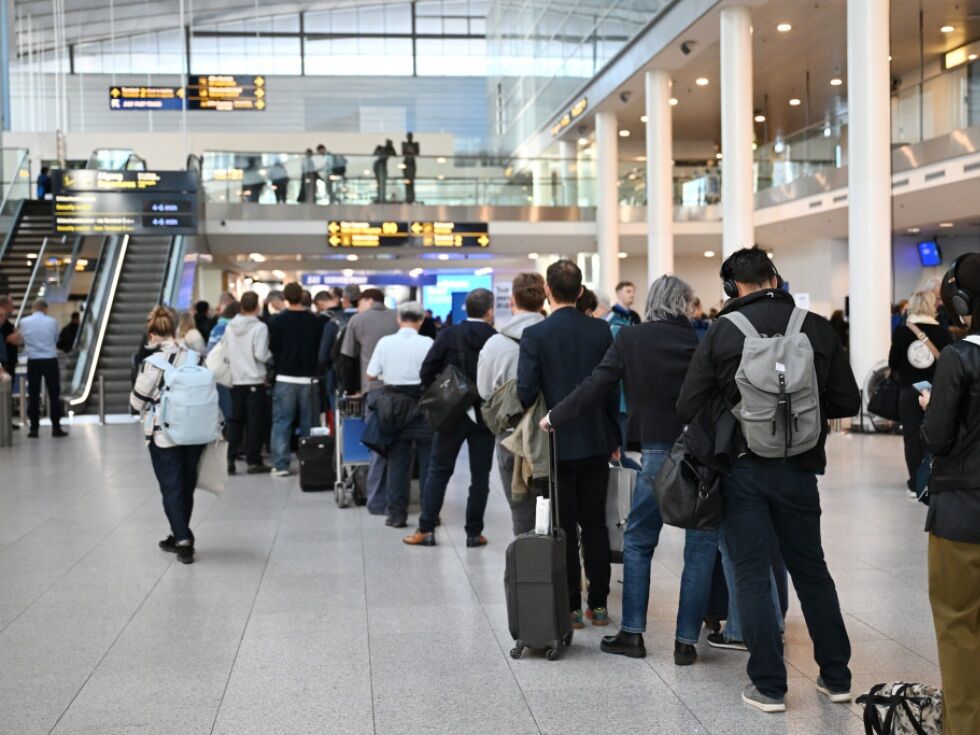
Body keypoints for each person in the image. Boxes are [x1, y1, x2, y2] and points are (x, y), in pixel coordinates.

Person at [545, 276, 779, 663]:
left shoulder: (630, 339)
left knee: (639, 542)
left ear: (652, 301)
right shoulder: (703, 338)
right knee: (700, 549)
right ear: (686, 304)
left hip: (655, 456)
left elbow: (595, 386)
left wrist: (556, 415)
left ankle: (632, 634)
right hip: (702, 456)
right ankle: (685, 643)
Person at [677, 246, 860, 713]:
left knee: (752, 573)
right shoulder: (815, 326)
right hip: (800, 469)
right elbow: (847, 401)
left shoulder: (722, 331)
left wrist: (736, 410)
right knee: (811, 570)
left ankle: (770, 687)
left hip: (742, 470)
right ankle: (837, 677)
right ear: (775, 279)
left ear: (731, 287)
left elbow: (687, 404)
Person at [525, 260, 619, 628]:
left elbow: (525, 391)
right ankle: (599, 604)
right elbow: (610, 389)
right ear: (581, 292)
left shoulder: (536, 335)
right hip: (597, 438)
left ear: (547, 291)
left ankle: (571, 608)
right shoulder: (600, 331)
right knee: (595, 523)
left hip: (555, 442)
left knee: (562, 525)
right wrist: (614, 437)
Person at [920, 252, 980, 735]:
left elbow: (937, 438)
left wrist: (930, 407)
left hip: (963, 511)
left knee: (959, 624)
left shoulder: (960, 357)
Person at [404, 288, 497, 547]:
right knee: (480, 476)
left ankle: (426, 529)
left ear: (467, 308)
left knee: (438, 470)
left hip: (452, 413)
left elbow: (426, 370)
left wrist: (440, 395)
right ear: (490, 311)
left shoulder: (448, 334)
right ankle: (474, 533)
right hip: (484, 415)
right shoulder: (495, 339)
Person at [130, 307, 205, 565]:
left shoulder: (153, 363)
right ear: (173, 331)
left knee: (171, 486)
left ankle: (183, 540)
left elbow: (137, 402)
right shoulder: (195, 357)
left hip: (165, 433)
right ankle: (178, 533)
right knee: (186, 485)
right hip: (195, 431)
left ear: (152, 335)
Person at [477, 273, 546, 536]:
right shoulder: (556, 336)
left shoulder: (495, 344)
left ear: (512, 299)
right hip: (553, 432)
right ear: (544, 299)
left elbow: (485, 391)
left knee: (521, 508)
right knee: (559, 507)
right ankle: (561, 558)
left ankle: (526, 557)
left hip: (511, 435)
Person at [365, 301, 434, 528]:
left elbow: (371, 374)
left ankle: (396, 515)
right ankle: (429, 514)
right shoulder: (428, 343)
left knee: (397, 463)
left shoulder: (385, 342)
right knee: (427, 463)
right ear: (421, 320)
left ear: (398, 319)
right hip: (423, 406)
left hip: (393, 408)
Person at [340, 288, 399, 512]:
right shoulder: (399, 318)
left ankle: (375, 501)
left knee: (377, 447)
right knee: (401, 448)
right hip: (404, 391)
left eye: (360, 302)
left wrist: (351, 389)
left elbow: (347, 359)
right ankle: (398, 499)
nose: (357, 306)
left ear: (368, 300)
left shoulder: (357, 320)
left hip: (374, 391)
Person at [889, 290, 951, 498]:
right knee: (935, 435)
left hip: (909, 391)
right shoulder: (942, 333)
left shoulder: (902, 332)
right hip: (935, 392)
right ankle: (932, 479)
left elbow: (893, 363)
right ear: (932, 306)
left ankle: (916, 483)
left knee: (911, 437)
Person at [268, 283, 324, 477]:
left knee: (282, 423)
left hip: (285, 377)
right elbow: (319, 349)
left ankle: (281, 465)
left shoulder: (278, 321)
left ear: (285, 298)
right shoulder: (315, 321)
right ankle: (310, 463)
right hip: (309, 379)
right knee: (310, 424)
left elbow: (273, 348)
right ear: (302, 296)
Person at [225, 292, 272, 475]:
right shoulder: (260, 327)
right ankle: (253, 461)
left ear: (241, 306)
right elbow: (260, 354)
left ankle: (230, 459)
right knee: (254, 423)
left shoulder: (230, 326)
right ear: (257, 307)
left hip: (236, 380)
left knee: (235, 421)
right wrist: (270, 356)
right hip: (254, 380)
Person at [19, 299, 67, 439]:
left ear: (33, 308)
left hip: (33, 360)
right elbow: (55, 339)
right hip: (50, 360)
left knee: (33, 395)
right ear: (45, 309)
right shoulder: (52, 322)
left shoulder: (24, 322)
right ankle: (56, 427)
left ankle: (34, 429)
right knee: (54, 394)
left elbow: (23, 339)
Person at [402, 132, 420, 204]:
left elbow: (417, 153)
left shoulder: (415, 144)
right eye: (408, 136)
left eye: (410, 136)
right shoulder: (404, 144)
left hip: (412, 163)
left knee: (411, 181)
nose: (409, 137)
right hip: (406, 163)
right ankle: (408, 197)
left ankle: (412, 197)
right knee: (407, 181)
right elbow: (404, 153)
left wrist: (410, 152)